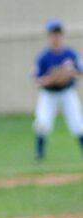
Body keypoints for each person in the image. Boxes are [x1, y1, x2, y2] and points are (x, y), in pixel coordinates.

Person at [33, 19, 83, 161]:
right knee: (42, 123)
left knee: (78, 123)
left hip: (67, 92)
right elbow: (37, 79)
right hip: (49, 94)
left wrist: (69, 74)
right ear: (49, 37)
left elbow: (80, 71)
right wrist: (50, 79)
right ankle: (39, 155)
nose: (56, 37)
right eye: (53, 34)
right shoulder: (43, 57)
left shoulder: (70, 54)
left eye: (58, 34)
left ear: (62, 36)